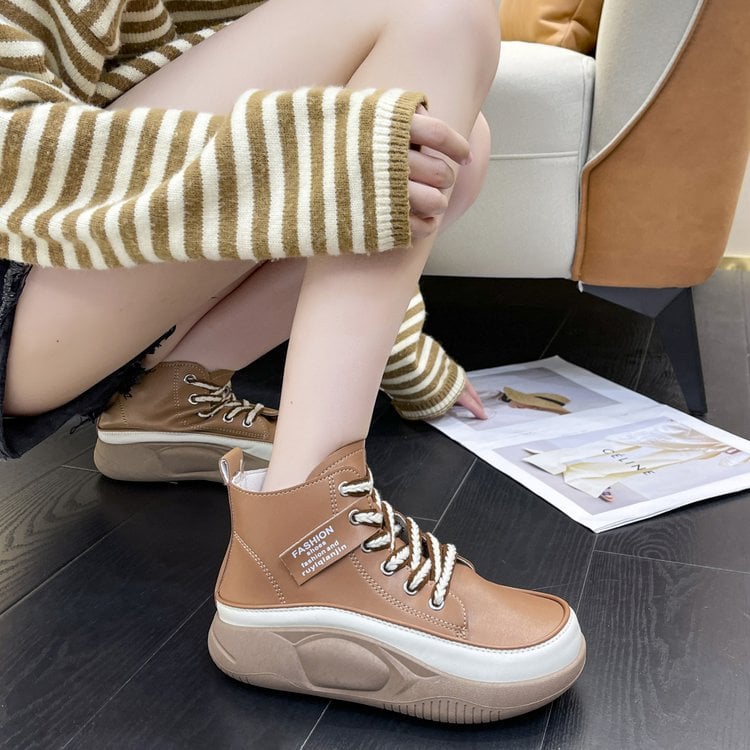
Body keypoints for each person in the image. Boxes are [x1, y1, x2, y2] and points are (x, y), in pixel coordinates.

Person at [0, 0, 585, 722]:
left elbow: (351, 182)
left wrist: (410, 359)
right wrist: (297, 155)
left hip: (85, 290)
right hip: (20, 286)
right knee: (439, 15)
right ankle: (305, 547)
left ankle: (164, 397)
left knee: (450, 145)